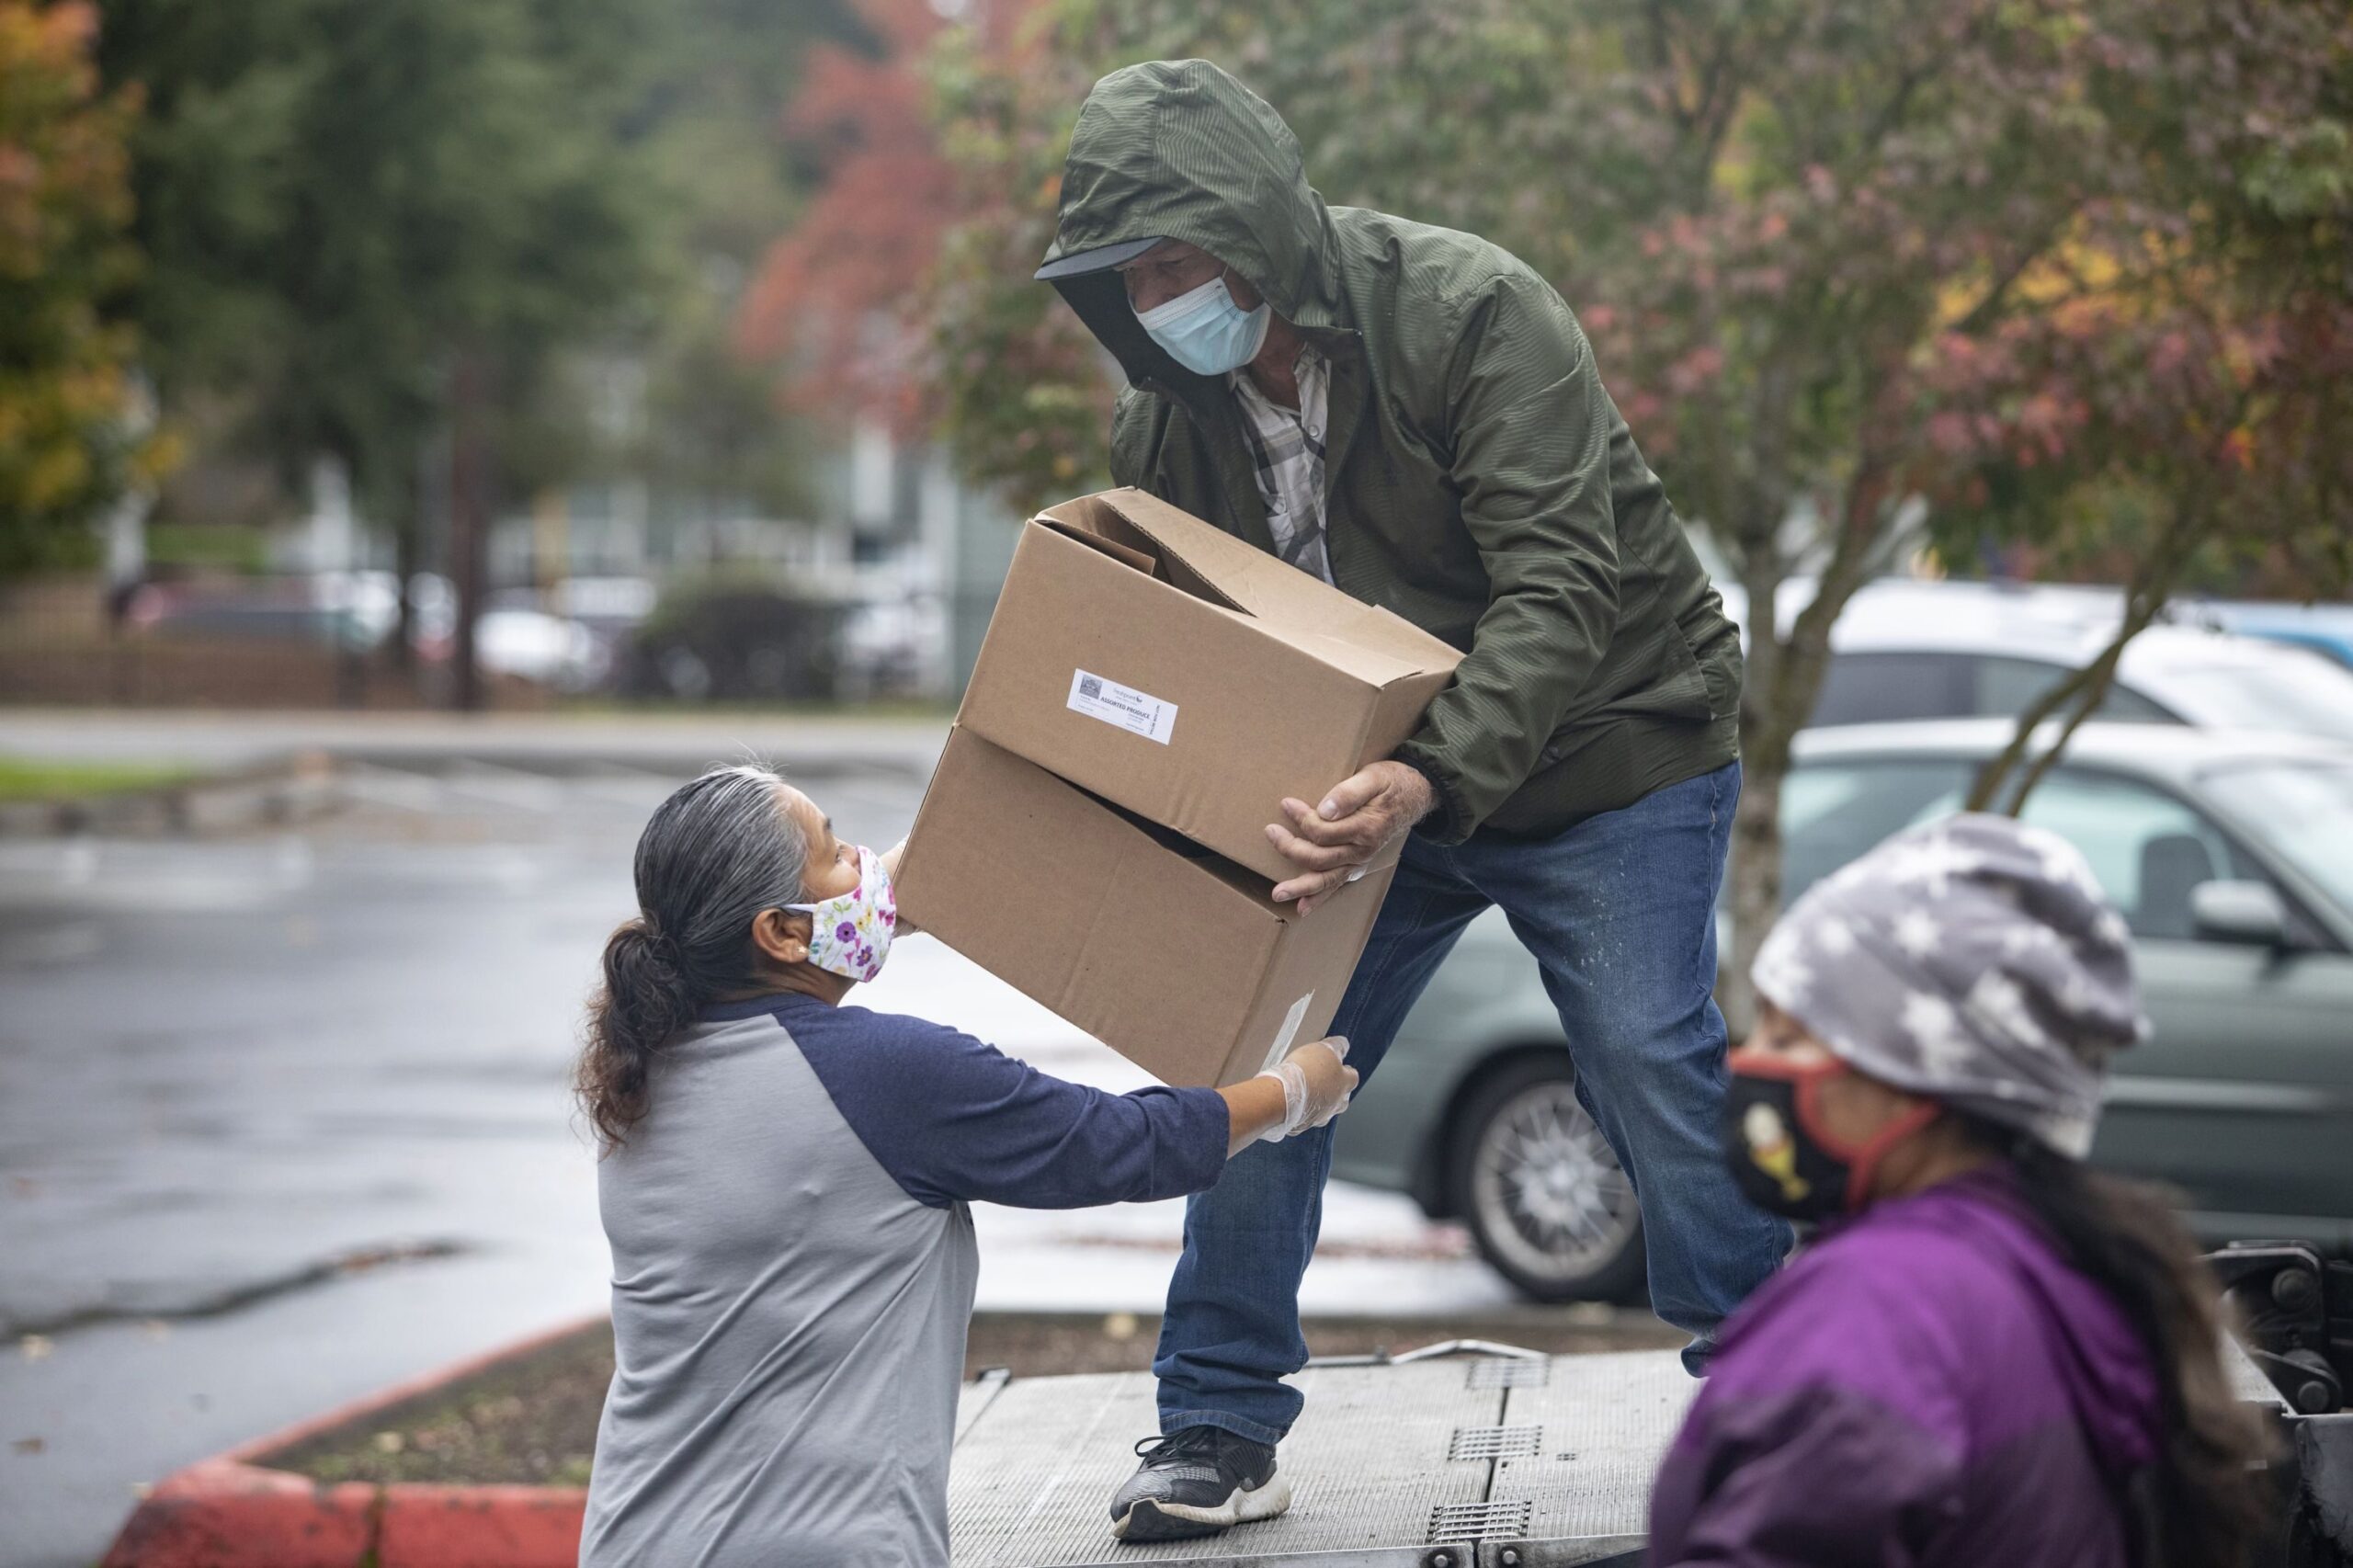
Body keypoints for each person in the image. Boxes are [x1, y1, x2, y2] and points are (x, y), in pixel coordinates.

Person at [1032, 58, 1790, 1537]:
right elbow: (1212, 663)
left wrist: (1430, 772)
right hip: (1370, 792)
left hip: (1608, 744)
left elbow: (1564, 587)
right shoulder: (1167, 426)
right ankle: (1217, 1427)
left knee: (1644, 1050)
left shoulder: (1471, 313)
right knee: (1269, 1056)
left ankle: (1776, 1403)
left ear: (1256, 229)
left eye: (1179, 258)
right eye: (1131, 276)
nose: (1159, 297)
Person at [573, 764, 1358, 1566]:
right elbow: (1117, 1144)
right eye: (836, 851)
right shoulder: (885, 1074)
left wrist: (892, 893)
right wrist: (1290, 1092)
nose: (866, 862)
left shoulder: (638, 1083)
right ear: (781, 933)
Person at [1649, 812, 2274, 1566]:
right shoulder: (2067, 1258)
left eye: (1789, 1037)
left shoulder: (1878, 1317)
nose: (1752, 1065)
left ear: (1916, 1081)